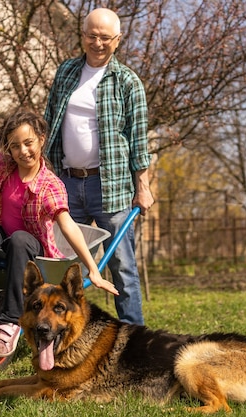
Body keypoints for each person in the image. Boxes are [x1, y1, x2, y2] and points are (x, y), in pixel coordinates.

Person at [0, 107, 118, 357]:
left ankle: (11, 320)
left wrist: (93, 268)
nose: (23, 151)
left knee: (19, 239)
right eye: (15, 146)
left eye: (28, 143)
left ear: (41, 139)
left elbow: (67, 224)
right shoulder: (2, 166)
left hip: (30, 249)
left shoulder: (50, 185)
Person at [44, 8, 154, 325]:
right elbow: (50, 122)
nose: (98, 43)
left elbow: (137, 137)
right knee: (64, 265)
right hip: (66, 182)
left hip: (112, 186)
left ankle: (133, 336)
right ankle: (60, 332)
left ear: (117, 41)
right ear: (83, 36)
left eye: (105, 37)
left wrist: (142, 186)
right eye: (92, 35)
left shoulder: (128, 82)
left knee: (122, 265)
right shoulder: (66, 73)